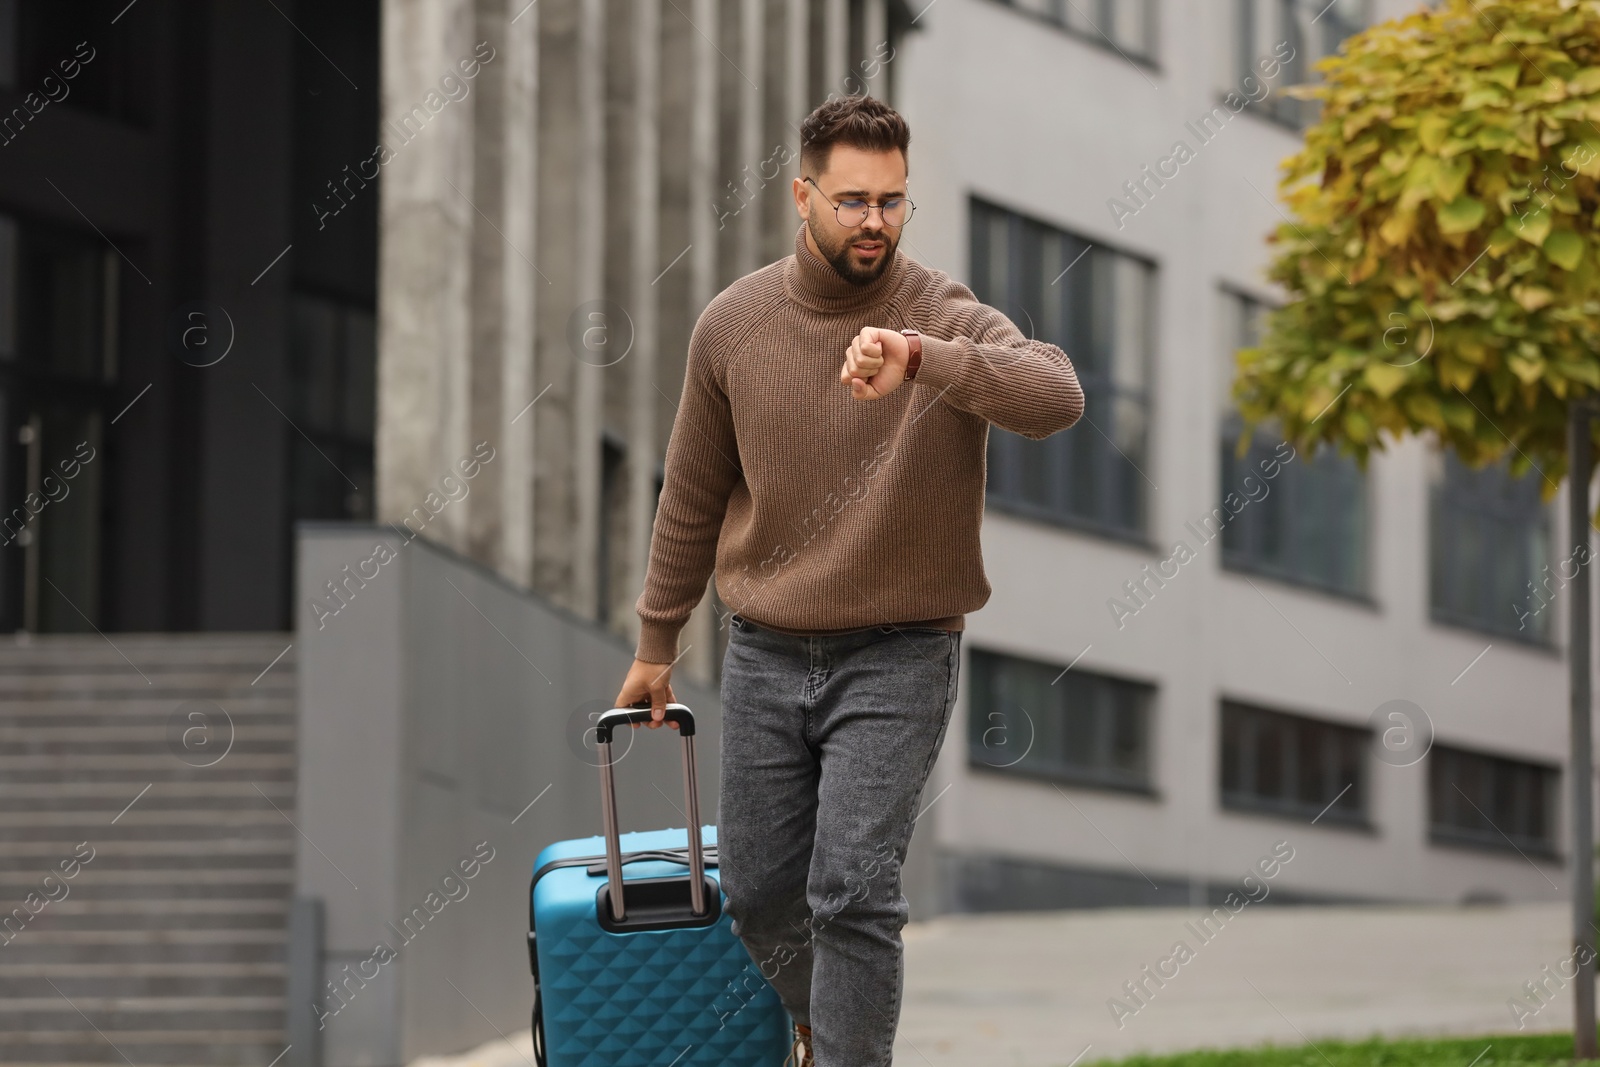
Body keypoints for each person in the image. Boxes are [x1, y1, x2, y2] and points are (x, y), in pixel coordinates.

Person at [613, 93, 1084, 1066]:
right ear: (801, 195)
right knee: (760, 890)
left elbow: (1057, 395)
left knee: (853, 890)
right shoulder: (731, 327)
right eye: (852, 200)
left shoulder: (939, 315)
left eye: (892, 201)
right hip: (766, 649)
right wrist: (656, 645)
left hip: (902, 649)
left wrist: (920, 359)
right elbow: (691, 497)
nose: (873, 221)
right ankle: (818, 1030)